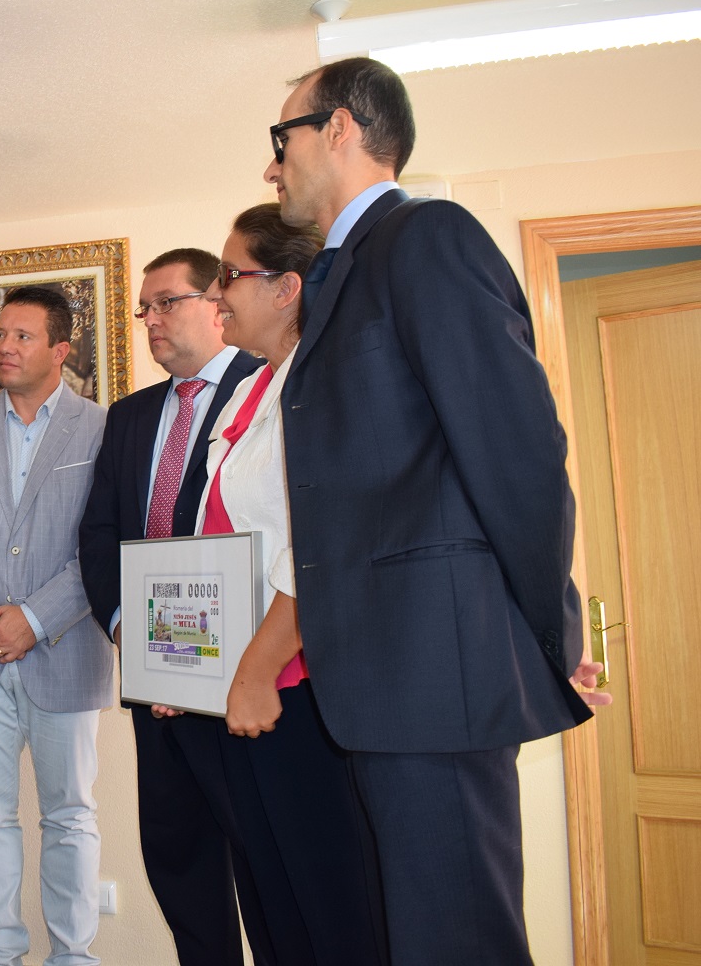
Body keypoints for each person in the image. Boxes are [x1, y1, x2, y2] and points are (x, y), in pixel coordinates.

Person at [265, 57, 609, 964]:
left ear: (339, 128)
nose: (272, 164)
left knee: (457, 940)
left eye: (282, 137)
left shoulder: (426, 237)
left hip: (434, 672)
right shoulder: (346, 273)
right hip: (381, 678)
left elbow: (517, 448)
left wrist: (550, 636)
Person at [193, 203, 387, 965]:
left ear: (286, 287)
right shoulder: (253, 389)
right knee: (270, 898)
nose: (218, 293)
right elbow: (219, 537)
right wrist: (185, 666)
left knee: (328, 902)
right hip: (245, 682)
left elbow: (316, 545)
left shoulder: (324, 382)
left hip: (297, 684)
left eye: (230, 275)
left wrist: (255, 670)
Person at [77, 250, 267, 966]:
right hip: (155, 678)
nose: (151, 320)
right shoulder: (130, 416)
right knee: (178, 853)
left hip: (250, 681)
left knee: (269, 862)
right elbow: (99, 534)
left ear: (219, 301)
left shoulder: (270, 386)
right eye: (144, 309)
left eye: (166, 302)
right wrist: (131, 631)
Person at [0, 286, 112, 966]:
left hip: (67, 650)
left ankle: (73, 957)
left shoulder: (102, 428)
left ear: (61, 349)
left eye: (22, 336)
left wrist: (34, 620)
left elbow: (101, 544)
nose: (4, 347)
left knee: (70, 816)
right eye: (0, 334)